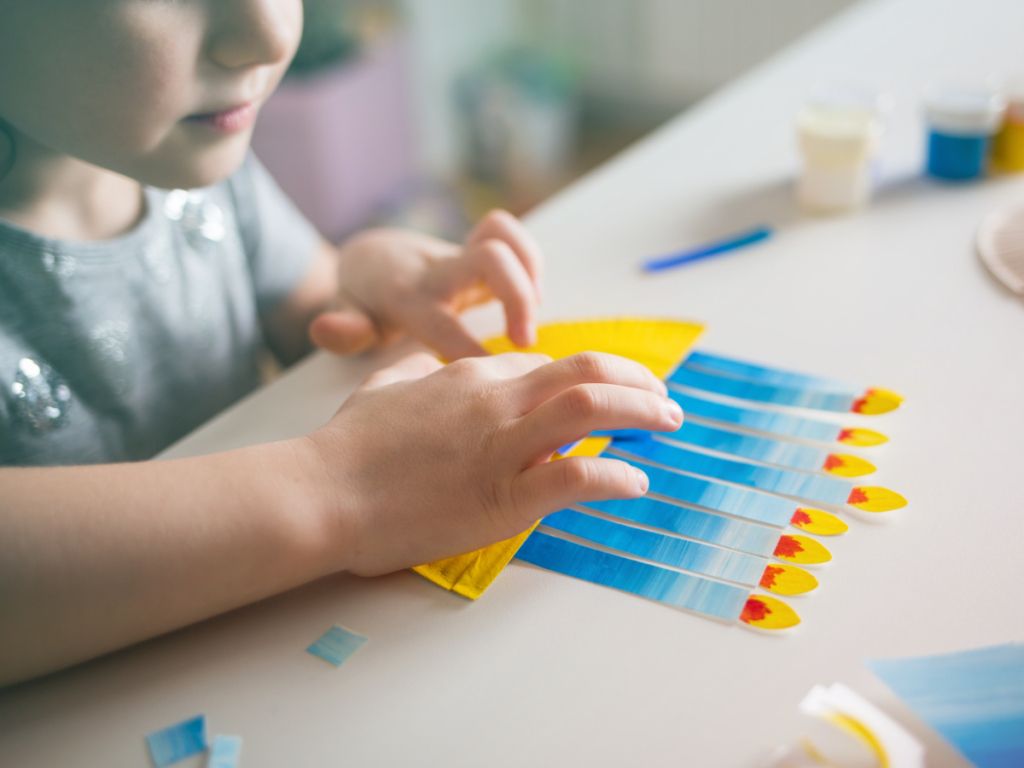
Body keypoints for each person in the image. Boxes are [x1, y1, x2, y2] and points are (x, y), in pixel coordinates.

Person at [0, 0, 682, 687]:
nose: (268, 34)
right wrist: (343, 489)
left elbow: (316, 320)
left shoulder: (190, 153)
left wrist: (359, 284)